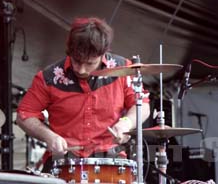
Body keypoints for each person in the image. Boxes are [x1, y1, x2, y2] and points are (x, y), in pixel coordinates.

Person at [16, 17, 150, 171]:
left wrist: (127, 122)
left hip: (110, 160)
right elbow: (24, 115)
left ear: (103, 54)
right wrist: (49, 136)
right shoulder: (49, 77)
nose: (81, 70)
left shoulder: (123, 69)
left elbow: (142, 104)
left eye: (89, 63)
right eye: (76, 61)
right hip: (63, 162)